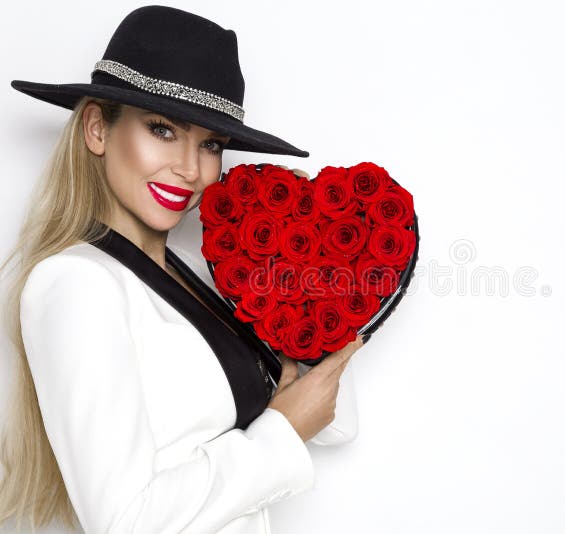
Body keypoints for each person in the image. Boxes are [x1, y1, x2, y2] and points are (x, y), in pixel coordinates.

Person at [0, 6, 365, 533]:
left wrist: (298, 269)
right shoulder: (76, 284)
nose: (191, 169)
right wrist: (282, 430)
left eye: (210, 144)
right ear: (98, 127)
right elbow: (124, 521)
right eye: (161, 130)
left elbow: (335, 424)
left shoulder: (196, 272)